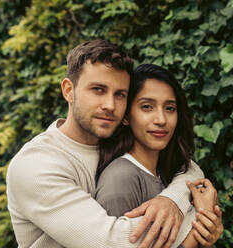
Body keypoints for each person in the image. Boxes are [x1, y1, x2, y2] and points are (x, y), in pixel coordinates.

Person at [6, 40, 209, 248]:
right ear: (68, 90)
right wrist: (200, 223)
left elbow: (189, 168)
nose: (110, 106)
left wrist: (173, 200)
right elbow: (112, 241)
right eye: (98, 90)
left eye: (120, 94)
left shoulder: (115, 139)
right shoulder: (36, 165)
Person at [95, 64, 224, 247]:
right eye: (147, 107)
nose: (161, 120)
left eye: (170, 108)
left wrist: (208, 230)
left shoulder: (170, 172)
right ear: (125, 116)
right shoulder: (121, 179)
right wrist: (196, 233)